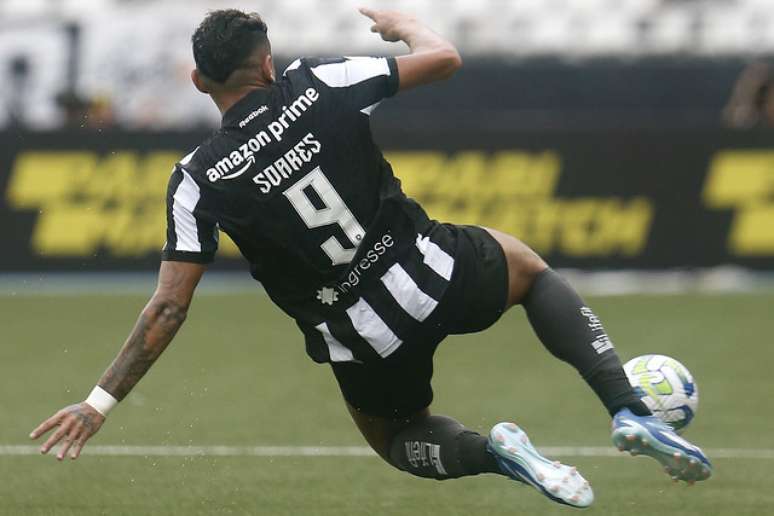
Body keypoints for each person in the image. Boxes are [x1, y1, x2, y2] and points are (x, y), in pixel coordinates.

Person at [30, 8, 712, 508]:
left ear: (197, 79)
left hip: (363, 338)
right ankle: (626, 408)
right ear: (266, 64)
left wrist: (100, 401)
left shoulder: (197, 179)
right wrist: (406, 27)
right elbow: (444, 59)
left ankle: (500, 454)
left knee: (399, 440)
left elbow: (168, 307)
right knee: (527, 270)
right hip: (433, 271)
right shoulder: (316, 82)